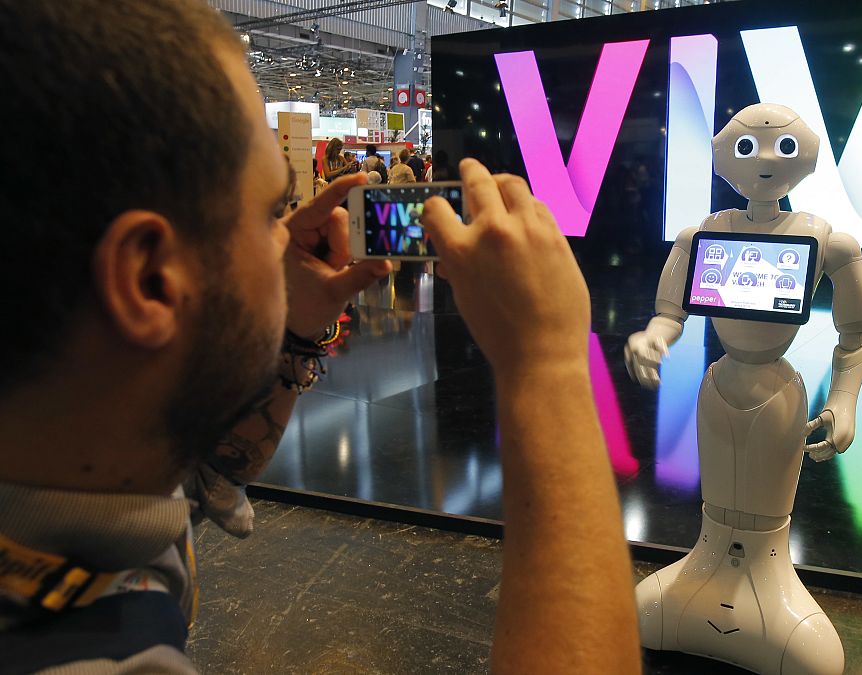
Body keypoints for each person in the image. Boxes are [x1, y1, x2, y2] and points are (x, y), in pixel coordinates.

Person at [0, 2, 640, 674]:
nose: (287, 234)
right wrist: (547, 366)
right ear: (152, 279)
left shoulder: (73, 458)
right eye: (268, 210)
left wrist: (296, 332)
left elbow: (201, 471)